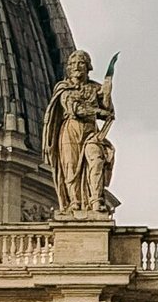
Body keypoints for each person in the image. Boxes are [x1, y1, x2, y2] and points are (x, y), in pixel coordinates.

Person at [41, 48, 116, 216]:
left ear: (87, 67)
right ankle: (74, 202)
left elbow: (109, 110)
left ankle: (95, 200)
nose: (77, 66)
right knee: (71, 166)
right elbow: (74, 109)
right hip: (70, 130)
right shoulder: (64, 89)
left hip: (91, 133)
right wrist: (97, 112)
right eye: (73, 63)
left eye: (81, 63)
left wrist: (106, 94)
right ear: (68, 68)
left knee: (96, 160)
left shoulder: (95, 88)